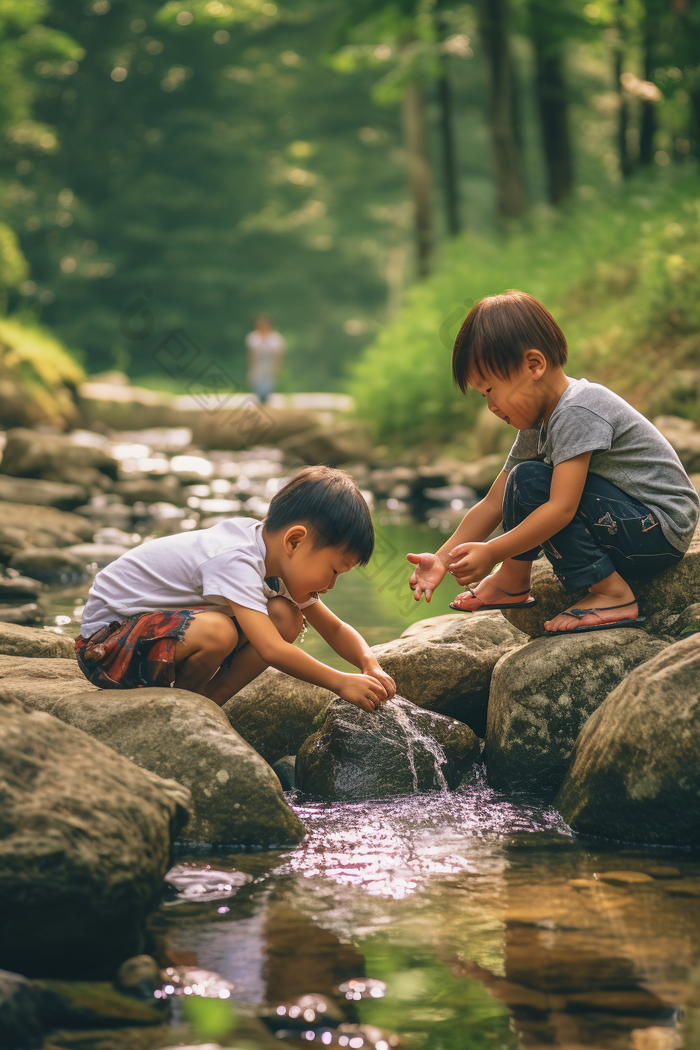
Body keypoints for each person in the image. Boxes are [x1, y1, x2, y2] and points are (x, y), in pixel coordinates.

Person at [408, 290, 699, 635]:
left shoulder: (578, 410)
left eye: (490, 390)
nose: (491, 407)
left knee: (532, 479)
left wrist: (491, 551)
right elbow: (493, 502)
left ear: (534, 365)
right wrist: (441, 559)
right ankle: (512, 581)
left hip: (658, 530)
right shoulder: (539, 422)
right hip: (629, 525)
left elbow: (561, 508)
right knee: (522, 478)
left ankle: (612, 593)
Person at [75, 466, 395, 710]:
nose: (331, 586)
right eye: (333, 571)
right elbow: (270, 649)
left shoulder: (275, 558)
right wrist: (340, 682)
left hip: (151, 634)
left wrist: (369, 663)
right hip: (106, 646)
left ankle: (209, 702)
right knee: (219, 632)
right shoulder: (236, 558)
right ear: (295, 541)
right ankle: (184, 705)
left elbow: (335, 628)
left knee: (286, 617)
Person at [246, 313, 286, 403]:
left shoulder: (275, 338)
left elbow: (279, 354)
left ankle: (265, 401)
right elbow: (251, 354)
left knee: (268, 384)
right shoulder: (253, 337)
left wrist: (278, 366)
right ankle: (261, 400)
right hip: (258, 364)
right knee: (257, 383)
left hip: (270, 364)